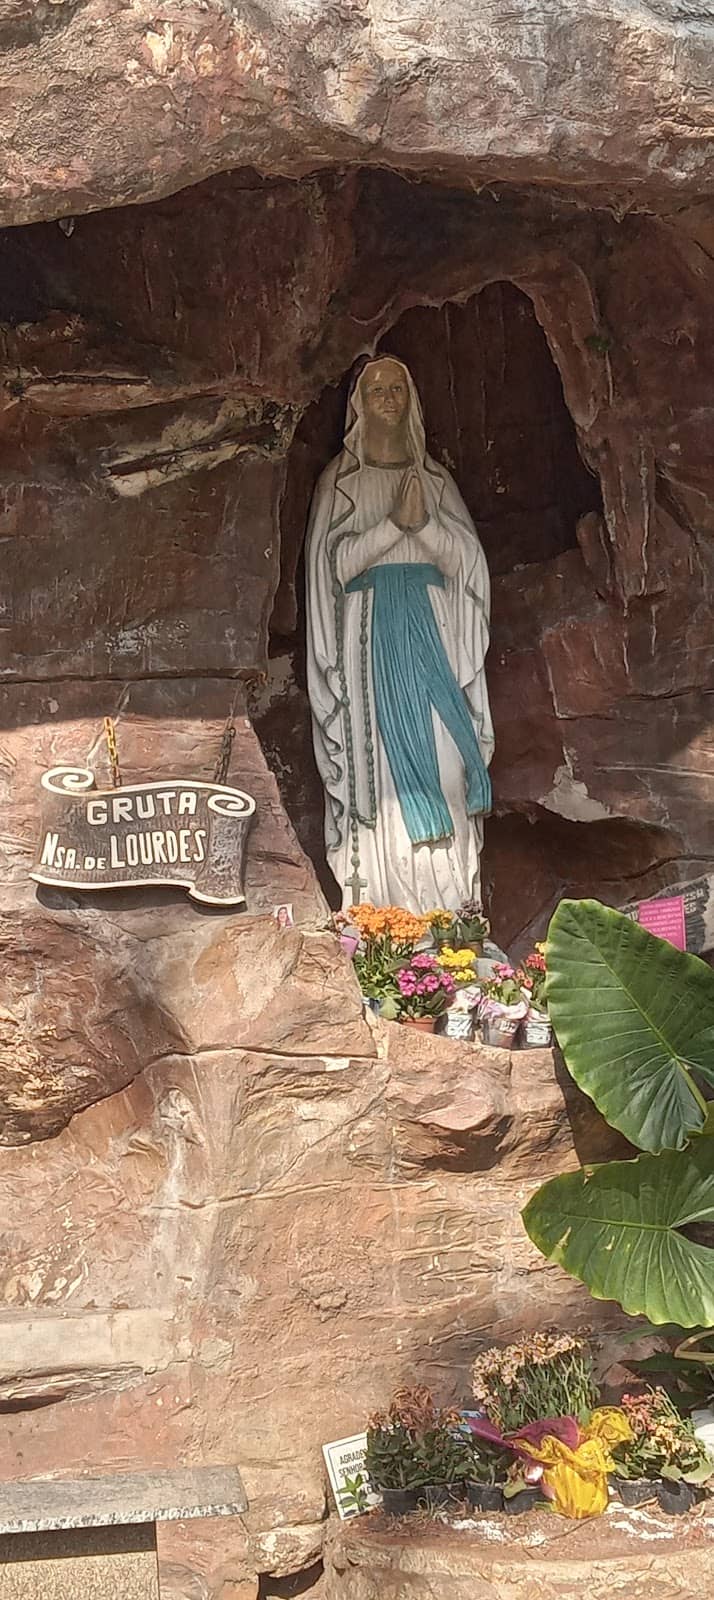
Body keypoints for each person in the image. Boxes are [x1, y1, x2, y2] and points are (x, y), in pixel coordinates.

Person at [306, 355, 494, 914]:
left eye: (397, 388)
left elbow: (468, 566)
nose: (388, 398)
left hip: (433, 635)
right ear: (357, 403)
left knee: (449, 766)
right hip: (368, 644)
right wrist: (393, 527)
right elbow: (330, 568)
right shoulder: (339, 483)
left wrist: (424, 525)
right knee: (381, 777)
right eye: (377, 388)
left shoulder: (434, 480)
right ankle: (388, 921)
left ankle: (456, 914)